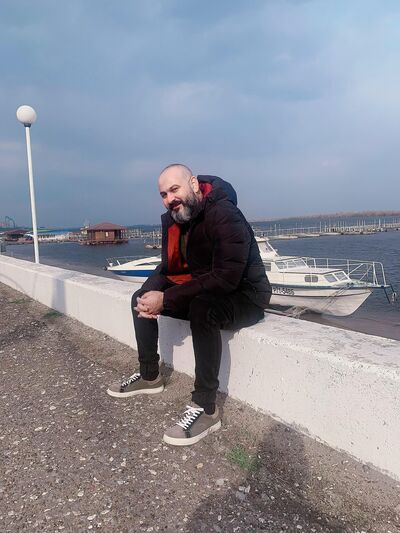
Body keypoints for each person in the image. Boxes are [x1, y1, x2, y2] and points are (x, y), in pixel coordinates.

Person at [107, 164, 271, 446]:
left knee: (202, 309)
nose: (170, 199)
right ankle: (149, 376)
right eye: (163, 194)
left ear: (193, 184)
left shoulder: (224, 214)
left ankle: (206, 408)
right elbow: (169, 267)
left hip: (245, 295)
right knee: (140, 298)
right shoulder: (179, 218)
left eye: (174, 189)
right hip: (207, 289)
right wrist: (150, 294)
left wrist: (167, 299)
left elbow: (226, 277)